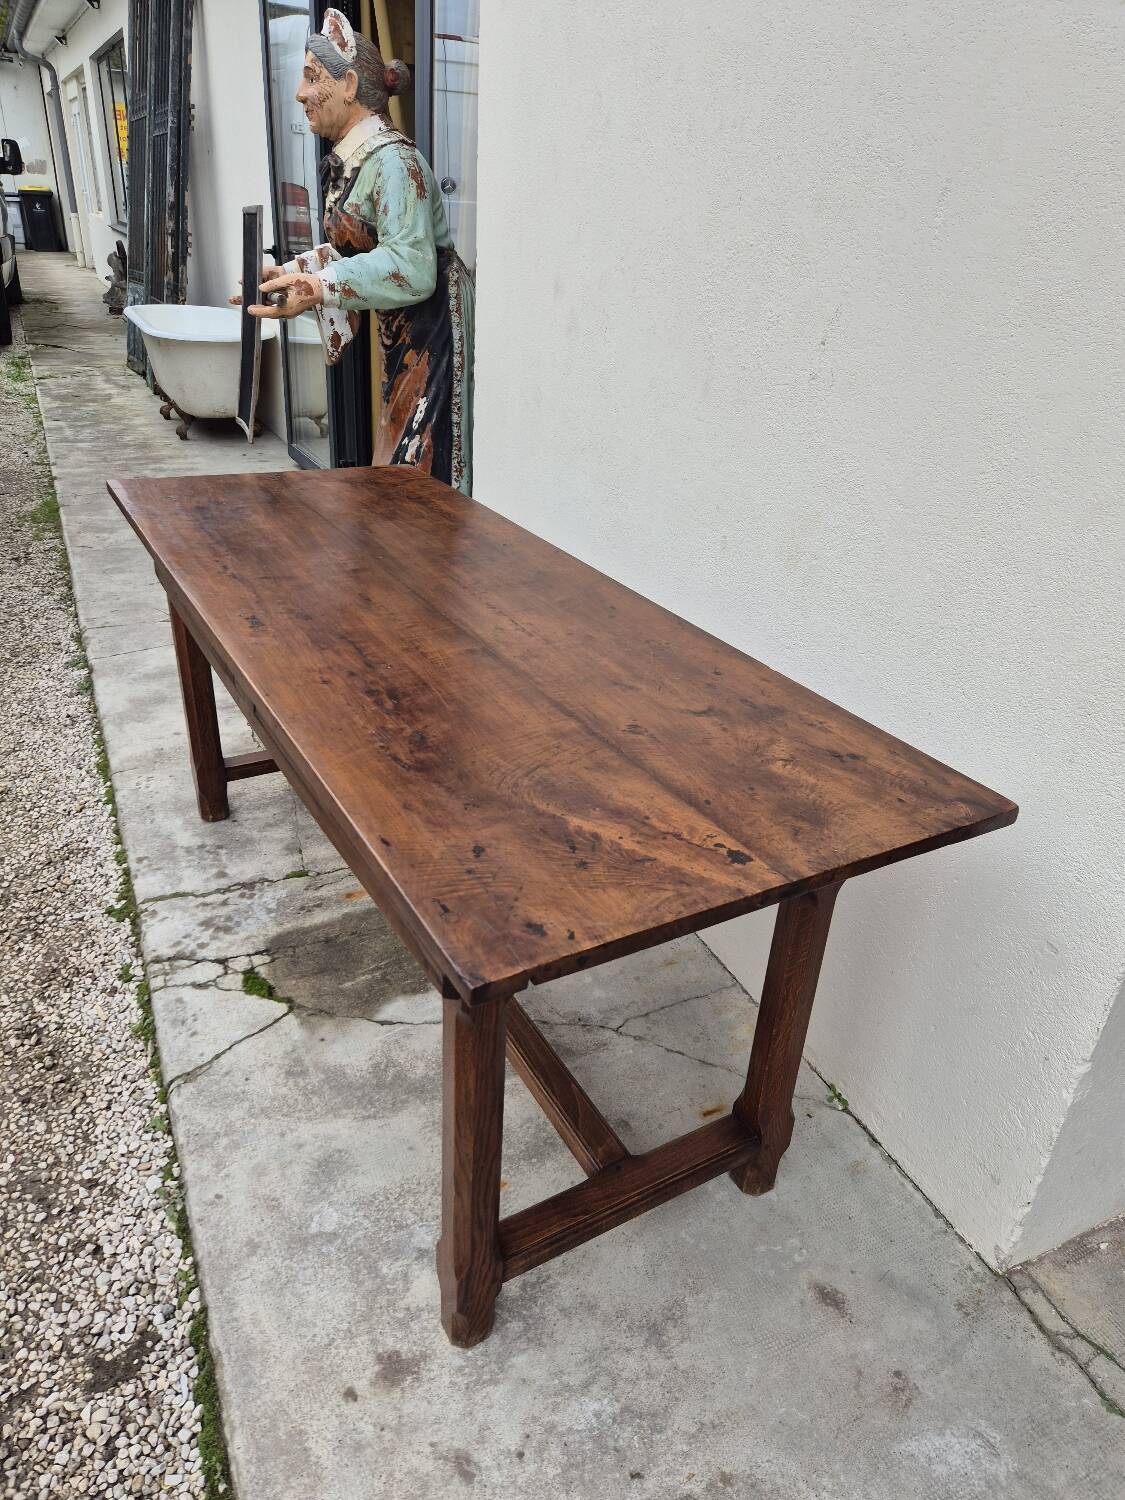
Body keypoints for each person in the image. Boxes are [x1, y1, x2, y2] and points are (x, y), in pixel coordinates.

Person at [247, 7, 473, 494]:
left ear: (349, 85)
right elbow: (355, 253)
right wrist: (291, 277)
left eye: (312, 78)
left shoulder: (393, 161)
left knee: (419, 472)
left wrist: (321, 286)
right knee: (397, 462)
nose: (300, 93)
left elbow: (413, 267)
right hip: (404, 338)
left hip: (431, 339)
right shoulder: (357, 161)